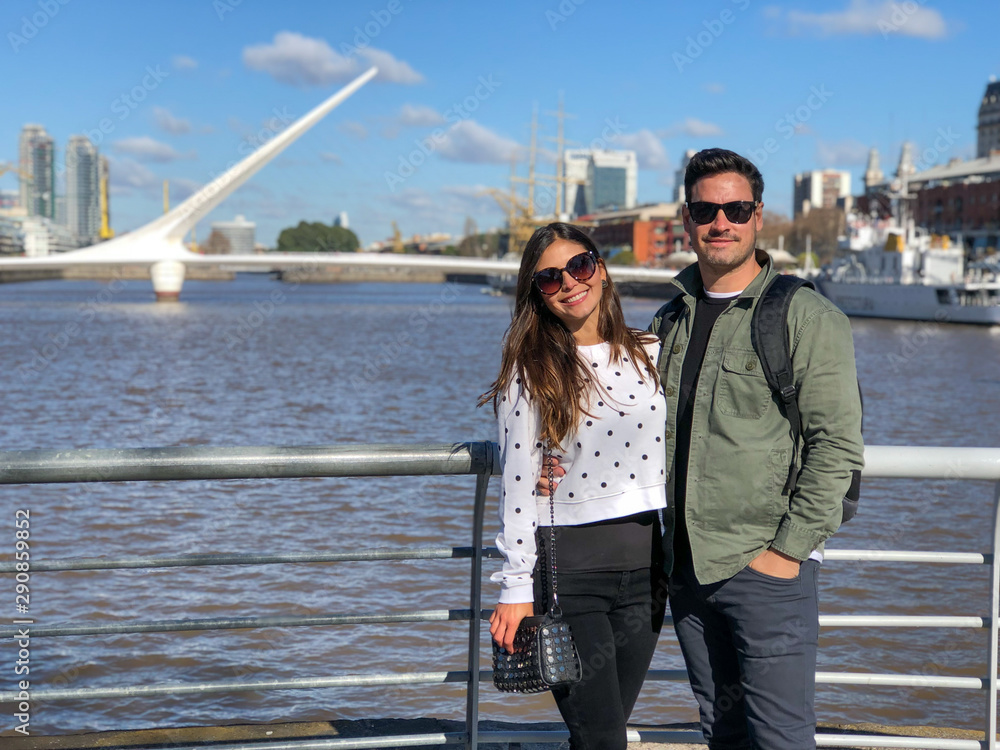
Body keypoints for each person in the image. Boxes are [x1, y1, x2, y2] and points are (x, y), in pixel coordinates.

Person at [544, 149, 864, 749]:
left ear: (758, 216)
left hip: (765, 567)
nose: (722, 222)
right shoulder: (669, 322)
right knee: (721, 731)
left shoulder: (805, 316)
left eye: (736, 208)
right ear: (686, 220)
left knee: (781, 737)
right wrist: (551, 461)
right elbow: (623, 422)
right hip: (685, 572)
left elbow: (838, 445)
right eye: (706, 209)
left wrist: (786, 552)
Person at [480, 222, 669, 750]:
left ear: (601, 269)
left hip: (648, 571)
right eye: (549, 277)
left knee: (599, 733)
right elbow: (518, 481)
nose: (570, 282)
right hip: (571, 574)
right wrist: (515, 588)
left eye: (580, 265)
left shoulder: (648, 351)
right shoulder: (532, 369)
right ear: (536, 293)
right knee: (604, 738)